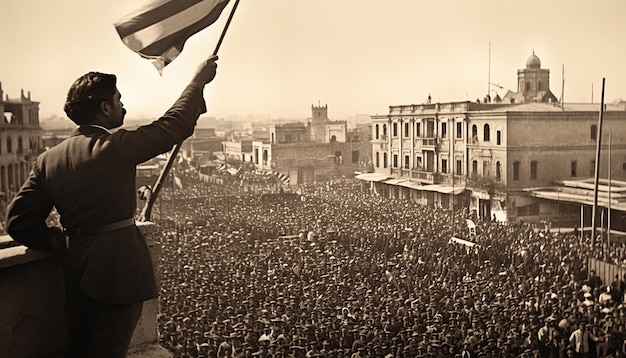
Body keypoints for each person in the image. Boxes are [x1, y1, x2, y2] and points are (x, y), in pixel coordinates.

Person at [5, 55, 219, 358]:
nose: (123, 106)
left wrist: (61, 241)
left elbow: (17, 222)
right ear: (105, 108)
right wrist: (197, 81)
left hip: (75, 274)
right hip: (119, 274)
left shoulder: (48, 159)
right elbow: (173, 125)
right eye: (118, 100)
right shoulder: (112, 147)